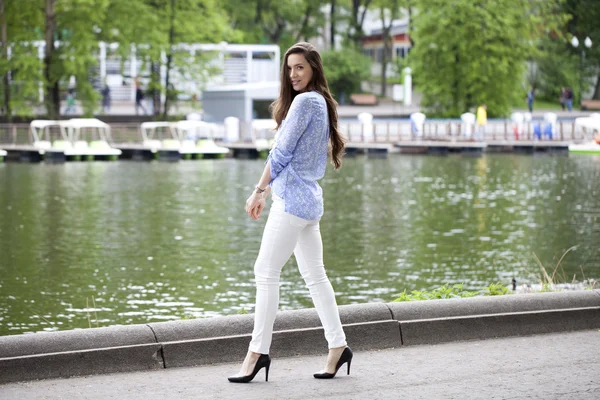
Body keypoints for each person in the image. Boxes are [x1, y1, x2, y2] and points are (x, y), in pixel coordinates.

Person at [228, 42, 351, 383]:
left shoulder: (305, 101)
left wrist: (258, 190)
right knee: (315, 276)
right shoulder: (321, 102)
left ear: (313, 68)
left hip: (293, 202)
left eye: (300, 67)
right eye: (289, 68)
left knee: (265, 271)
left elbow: (281, 152)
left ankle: (257, 353)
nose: (293, 74)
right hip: (309, 202)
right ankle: (338, 347)